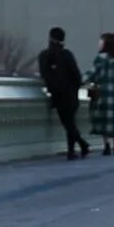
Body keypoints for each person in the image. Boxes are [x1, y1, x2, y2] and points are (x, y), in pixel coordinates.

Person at [38, 27, 90, 159]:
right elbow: (77, 77)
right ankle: (77, 148)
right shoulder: (67, 55)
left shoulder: (44, 56)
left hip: (57, 95)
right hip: (70, 94)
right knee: (70, 122)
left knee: (68, 123)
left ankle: (78, 148)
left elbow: (45, 75)